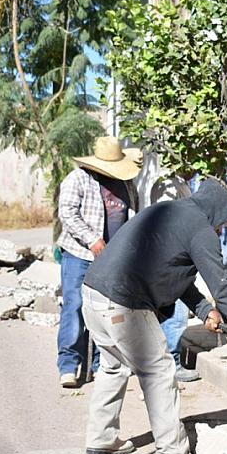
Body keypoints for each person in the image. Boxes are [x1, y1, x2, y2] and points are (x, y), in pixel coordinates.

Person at [81, 179, 227, 454]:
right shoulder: (200, 229)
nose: (221, 230)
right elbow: (222, 288)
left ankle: (101, 438)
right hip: (124, 303)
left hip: (94, 292)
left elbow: (171, 270)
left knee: (113, 366)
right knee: (159, 372)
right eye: (222, 223)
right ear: (216, 211)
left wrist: (204, 309)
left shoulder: (170, 211)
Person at [56, 136, 141, 388]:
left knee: (106, 311)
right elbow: (68, 213)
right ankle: (69, 365)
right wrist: (93, 240)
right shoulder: (78, 179)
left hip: (114, 261)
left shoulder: (126, 184)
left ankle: (100, 364)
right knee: (75, 305)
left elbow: (132, 216)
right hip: (80, 255)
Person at [149, 172, 199, 382]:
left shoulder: (179, 184)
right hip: (170, 257)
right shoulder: (169, 185)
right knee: (176, 316)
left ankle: (163, 364)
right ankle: (171, 364)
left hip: (168, 256)